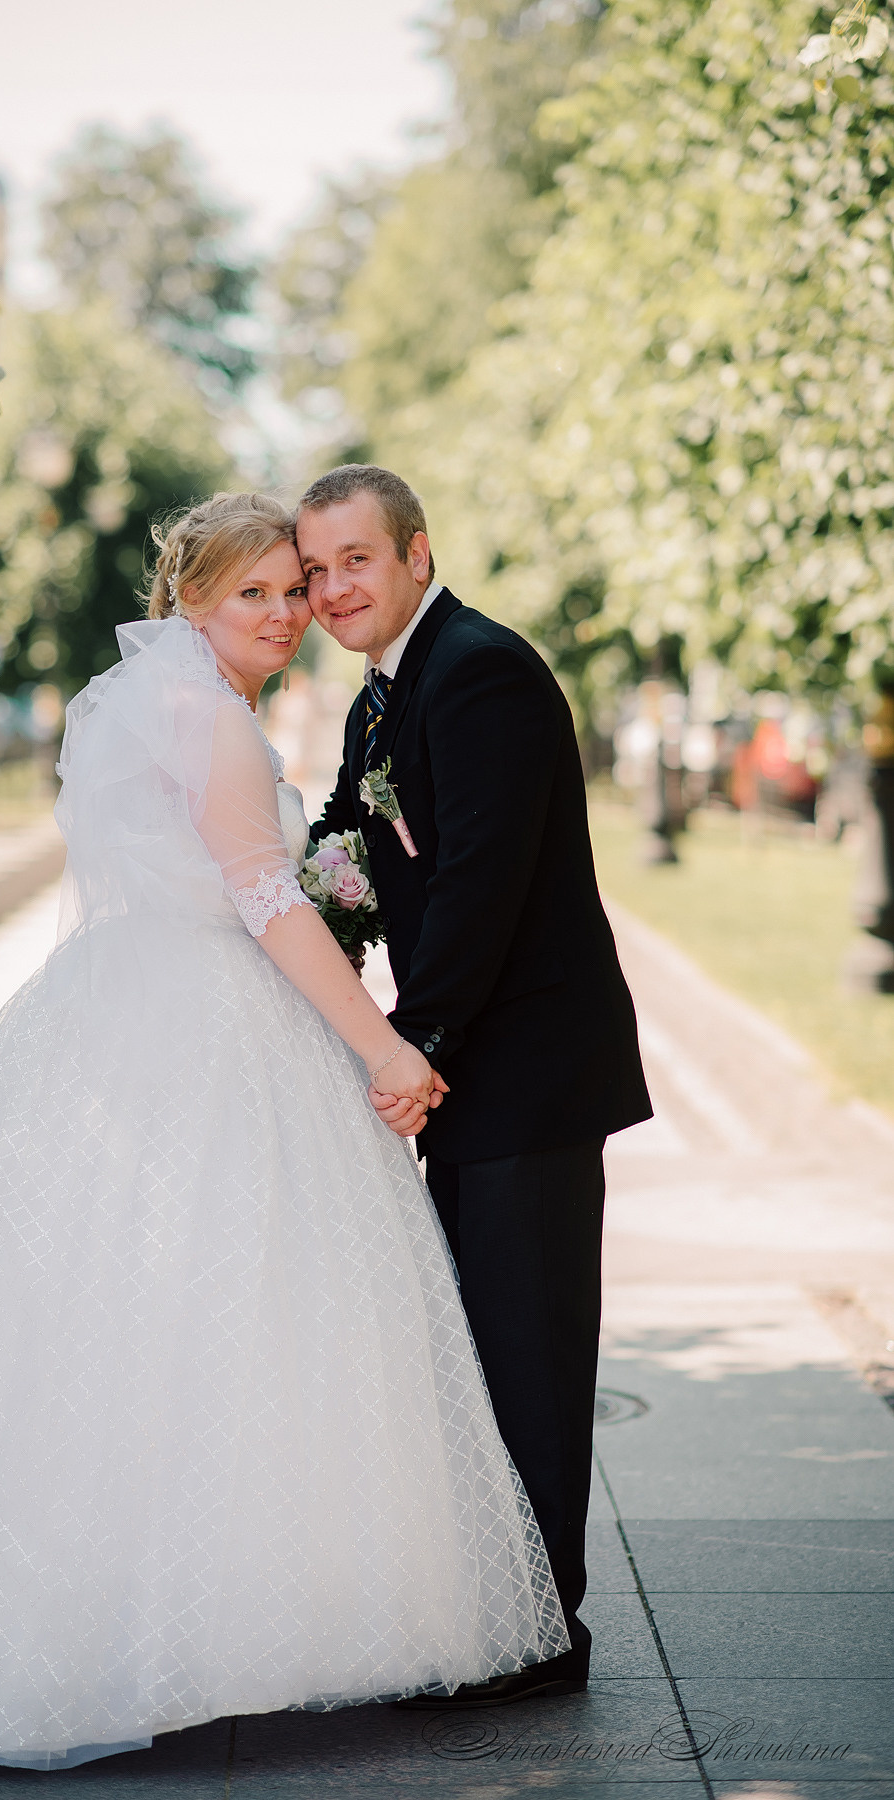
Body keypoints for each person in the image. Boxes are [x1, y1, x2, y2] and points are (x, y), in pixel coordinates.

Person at [0, 492, 567, 1770]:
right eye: (257, 594)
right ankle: (200, 1626)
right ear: (190, 601)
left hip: (117, 1015)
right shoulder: (211, 725)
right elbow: (271, 903)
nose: (287, 613)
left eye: (298, 588)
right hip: (216, 1024)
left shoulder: (139, 706)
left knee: (96, 1315)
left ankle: (47, 1611)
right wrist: (381, 1044)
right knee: (231, 1311)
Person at [299, 465, 653, 1709]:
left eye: (354, 560)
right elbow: (344, 846)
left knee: (533, 1357)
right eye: (313, 571)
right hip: (473, 1073)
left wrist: (414, 1045)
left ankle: (544, 1635)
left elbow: (482, 884)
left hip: (527, 1076)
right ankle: (500, 1607)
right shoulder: (381, 699)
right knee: (482, 1355)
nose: (331, 588)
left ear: (412, 552)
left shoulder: (478, 669)